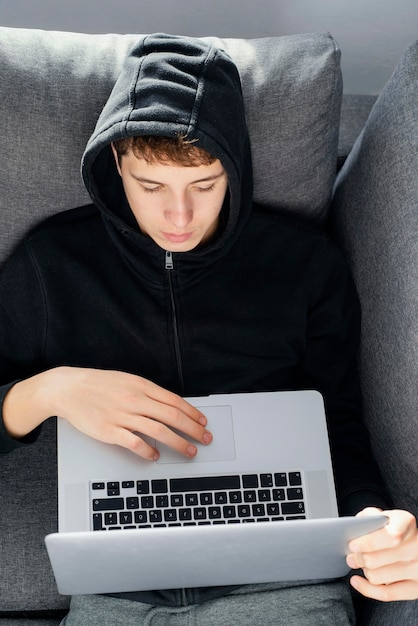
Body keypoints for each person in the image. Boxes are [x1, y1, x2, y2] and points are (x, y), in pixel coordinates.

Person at [0, 33, 416, 625]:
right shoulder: (50, 267)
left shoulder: (305, 265)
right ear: (117, 164)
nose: (179, 217)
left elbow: (339, 421)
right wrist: (44, 392)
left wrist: (378, 522)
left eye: (205, 185)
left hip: (281, 573)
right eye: (151, 187)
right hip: (120, 584)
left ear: (236, 168)